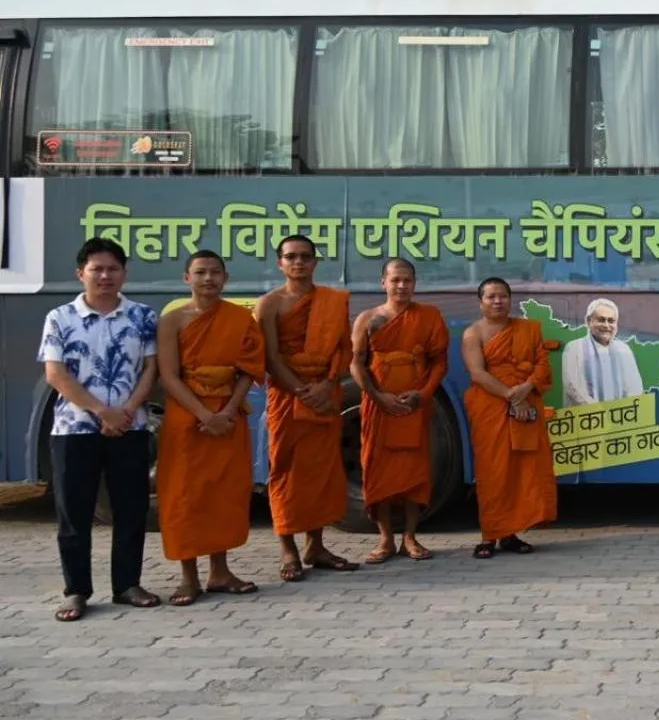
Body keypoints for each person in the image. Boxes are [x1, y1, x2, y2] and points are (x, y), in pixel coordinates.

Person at [38, 237, 161, 622]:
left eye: (113, 269)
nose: (105, 276)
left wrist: (126, 411)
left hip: (130, 427)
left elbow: (151, 370)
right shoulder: (60, 318)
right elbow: (56, 374)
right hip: (74, 430)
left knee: (131, 509)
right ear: (81, 273)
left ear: (124, 273)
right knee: (74, 513)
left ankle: (128, 585)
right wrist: (101, 412)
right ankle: (76, 591)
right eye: (97, 269)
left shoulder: (143, 316)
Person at [154, 251, 266, 605]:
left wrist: (228, 410)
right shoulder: (171, 321)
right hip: (188, 417)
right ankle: (188, 577)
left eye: (215, 272)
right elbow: (169, 376)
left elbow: (249, 369)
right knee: (185, 496)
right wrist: (204, 414)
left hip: (228, 415)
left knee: (224, 493)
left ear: (225, 278)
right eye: (200, 272)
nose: (208, 279)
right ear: (186, 278)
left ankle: (220, 572)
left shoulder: (240, 318)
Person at [256, 235, 361, 583]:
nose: (298, 262)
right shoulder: (269, 304)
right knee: (285, 470)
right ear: (280, 264)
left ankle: (316, 546)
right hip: (288, 397)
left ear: (315, 262)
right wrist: (301, 391)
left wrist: (327, 385)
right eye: (291, 257)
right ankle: (288, 548)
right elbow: (270, 357)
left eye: (305, 257)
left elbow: (342, 349)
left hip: (324, 392)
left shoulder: (332, 300)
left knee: (321, 471)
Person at [351, 258, 449, 564]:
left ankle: (410, 537)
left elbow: (439, 362)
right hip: (378, 406)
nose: (402, 286)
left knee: (414, 473)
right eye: (395, 280)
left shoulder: (429, 316)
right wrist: (378, 396)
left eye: (407, 280)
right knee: (377, 471)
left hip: (413, 405)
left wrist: (423, 394)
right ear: (383, 282)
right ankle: (385, 540)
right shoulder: (368, 318)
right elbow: (356, 364)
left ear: (415, 283)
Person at [462, 277, 558, 558]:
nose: (497, 301)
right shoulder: (473, 333)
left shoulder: (528, 329)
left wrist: (527, 388)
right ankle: (489, 535)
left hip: (526, 402)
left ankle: (510, 534)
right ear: (480, 302)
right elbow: (477, 373)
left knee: (521, 471)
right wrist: (512, 396)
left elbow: (542, 364)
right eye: (491, 297)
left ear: (510, 299)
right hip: (491, 406)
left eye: (502, 296)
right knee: (493, 472)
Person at [561, 298, 644, 406]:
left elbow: (635, 388)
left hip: (621, 414)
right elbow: (573, 388)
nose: (606, 325)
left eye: (611, 321)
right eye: (601, 320)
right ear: (588, 321)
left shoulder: (624, 349)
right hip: (587, 414)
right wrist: (601, 412)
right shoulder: (574, 348)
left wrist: (623, 410)